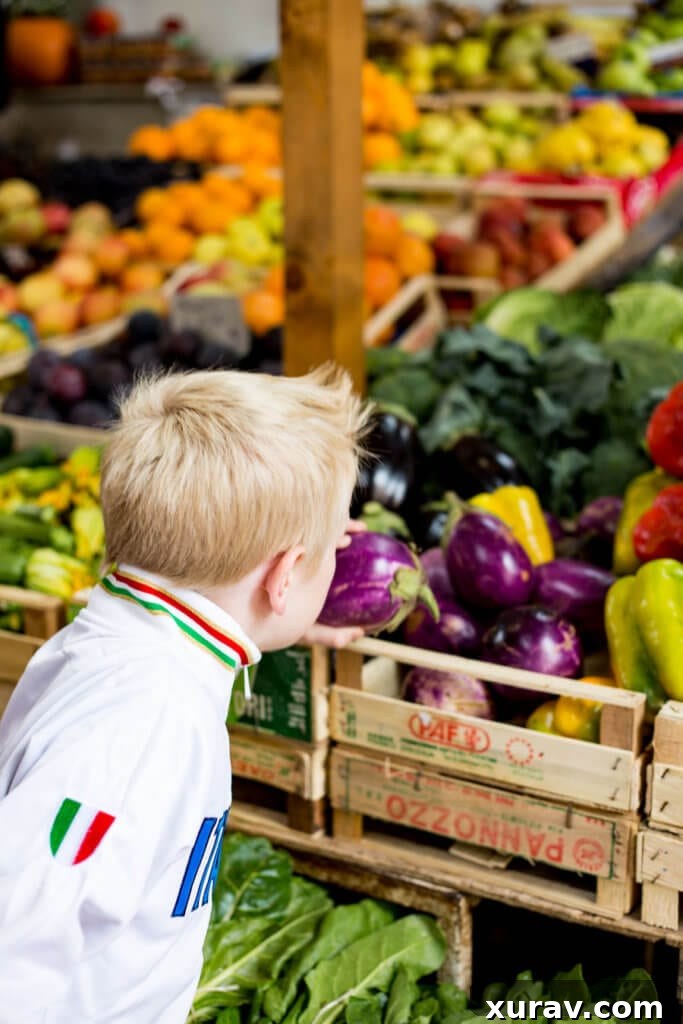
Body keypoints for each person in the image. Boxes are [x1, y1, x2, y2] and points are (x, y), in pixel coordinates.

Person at [0, 366, 369, 1024]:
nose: (343, 552)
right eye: (335, 543)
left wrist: (276, 617)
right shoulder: (143, 723)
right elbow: (16, 936)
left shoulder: (135, 643)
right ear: (283, 576)